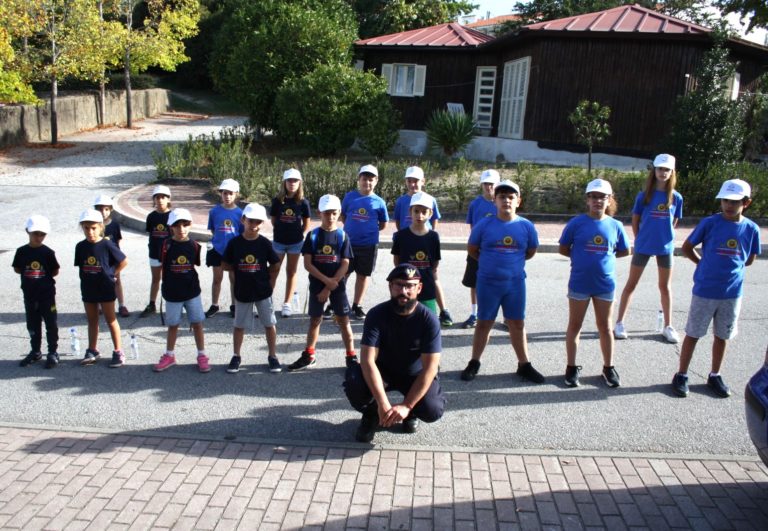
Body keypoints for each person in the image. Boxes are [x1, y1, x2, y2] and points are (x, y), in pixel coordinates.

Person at [671, 179, 761, 398]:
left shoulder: (751, 229)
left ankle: (715, 374)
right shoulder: (710, 223)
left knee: (722, 335)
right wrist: (702, 263)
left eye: (735, 201)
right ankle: (682, 374)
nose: (729, 205)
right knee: (693, 333)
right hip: (705, 290)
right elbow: (687, 247)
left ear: (746, 203)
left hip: (731, 293)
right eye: (725, 200)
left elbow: (749, 258)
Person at [344, 264, 446, 443]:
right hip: (383, 372)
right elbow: (368, 361)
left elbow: (430, 369)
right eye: (399, 285)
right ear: (390, 287)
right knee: (355, 380)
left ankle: (409, 413)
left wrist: (407, 405)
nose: (404, 291)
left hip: (414, 375)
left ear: (419, 288)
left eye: (410, 286)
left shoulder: (429, 320)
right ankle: (372, 414)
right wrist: (382, 403)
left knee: (433, 409)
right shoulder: (376, 315)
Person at [460, 180, 544, 384]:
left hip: (514, 284)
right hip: (488, 283)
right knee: (484, 323)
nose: (506, 200)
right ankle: (474, 362)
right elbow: (473, 249)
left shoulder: (526, 226)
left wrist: (510, 264)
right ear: (495, 201)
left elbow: (530, 252)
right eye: (501, 197)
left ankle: (524, 364)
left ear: (518, 201)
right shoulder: (484, 224)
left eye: (510, 197)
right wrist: (491, 263)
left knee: (517, 323)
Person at [558, 179, 630, 388]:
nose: (598, 201)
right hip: (579, 282)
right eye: (594, 197)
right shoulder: (576, 223)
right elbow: (563, 248)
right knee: (575, 325)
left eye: (602, 197)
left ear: (609, 200)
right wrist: (580, 257)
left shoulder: (615, 225)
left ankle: (608, 367)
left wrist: (604, 259)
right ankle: (571, 367)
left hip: (605, 284)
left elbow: (625, 250)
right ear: (587, 200)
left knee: (605, 327)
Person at [615, 154, 683, 343]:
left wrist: (664, 237)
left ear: (672, 173)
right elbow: (636, 220)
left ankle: (668, 326)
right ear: (654, 171)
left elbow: (674, 221)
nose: (663, 172)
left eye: (667, 170)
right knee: (631, 284)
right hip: (643, 246)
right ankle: (619, 323)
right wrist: (640, 239)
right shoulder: (643, 196)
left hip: (665, 247)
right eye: (660, 169)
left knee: (665, 287)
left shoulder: (676, 197)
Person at [287, 194, 356, 371]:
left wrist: (332, 283)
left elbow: (346, 263)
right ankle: (309, 355)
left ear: (339, 213)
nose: (330, 217)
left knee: (343, 320)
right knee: (315, 320)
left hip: (337, 284)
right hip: (319, 285)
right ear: (320, 213)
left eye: (334, 213)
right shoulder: (313, 236)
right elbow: (308, 264)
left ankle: (351, 356)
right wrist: (326, 284)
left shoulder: (342, 236)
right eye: (327, 213)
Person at [223, 203, 282, 374]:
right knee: (239, 325)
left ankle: (272, 355)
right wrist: (237, 271)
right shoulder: (234, 243)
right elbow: (225, 264)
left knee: (269, 324)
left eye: (258, 222)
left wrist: (266, 275)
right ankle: (236, 355)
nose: (254, 225)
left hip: (263, 291)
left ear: (262, 223)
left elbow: (276, 264)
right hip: (242, 292)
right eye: (250, 221)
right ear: (243, 220)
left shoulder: (264, 243)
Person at [392, 166, 452, 326]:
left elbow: (435, 221)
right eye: (409, 181)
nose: (413, 184)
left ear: (422, 181)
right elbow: (397, 258)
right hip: (408, 241)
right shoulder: (401, 202)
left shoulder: (430, 200)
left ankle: (443, 310)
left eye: (416, 181)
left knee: (433, 279)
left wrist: (428, 236)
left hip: (425, 248)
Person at [153, 208, 210, 373]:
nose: (181, 229)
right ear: (171, 227)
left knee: (197, 323)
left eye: (185, 225)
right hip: (172, 293)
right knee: (173, 325)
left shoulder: (194, 246)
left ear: (190, 225)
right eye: (177, 225)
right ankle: (169, 355)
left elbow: (195, 265)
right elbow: (160, 266)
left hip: (192, 292)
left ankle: (202, 355)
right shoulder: (165, 245)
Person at [74, 209, 128, 367]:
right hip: (88, 288)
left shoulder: (107, 244)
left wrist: (112, 273)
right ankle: (92, 350)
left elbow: (123, 261)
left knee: (111, 320)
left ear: (100, 227)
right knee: (92, 320)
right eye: (86, 228)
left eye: (93, 228)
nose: (90, 232)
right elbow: (81, 266)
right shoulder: (80, 246)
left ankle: (118, 351)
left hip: (105, 287)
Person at [340, 164, 389, 320]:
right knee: (343, 274)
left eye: (370, 179)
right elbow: (344, 217)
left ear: (376, 181)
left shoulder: (379, 202)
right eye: (364, 179)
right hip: (349, 244)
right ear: (358, 180)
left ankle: (357, 305)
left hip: (368, 245)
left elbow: (383, 224)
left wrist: (367, 232)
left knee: (363, 275)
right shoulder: (349, 197)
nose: (367, 182)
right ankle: (337, 303)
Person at [13, 215, 60, 369]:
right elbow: (17, 268)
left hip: (46, 295)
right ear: (28, 231)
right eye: (35, 234)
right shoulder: (21, 251)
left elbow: (54, 270)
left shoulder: (48, 252)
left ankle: (52, 352)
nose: (39, 237)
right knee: (32, 323)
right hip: (30, 294)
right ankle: (35, 351)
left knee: (50, 323)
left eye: (42, 234)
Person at [460, 169, 500, 329]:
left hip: (496, 251)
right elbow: (472, 227)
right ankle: (474, 314)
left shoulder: (501, 203)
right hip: (477, 251)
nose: (488, 187)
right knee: (474, 283)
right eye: (486, 184)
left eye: (491, 184)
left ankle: (499, 316)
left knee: (498, 283)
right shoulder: (475, 204)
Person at [391, 192, 442, 315]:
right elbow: (397, 260)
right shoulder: (400, 236)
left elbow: (435, 263)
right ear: (410, 212)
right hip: (406, 285)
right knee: (404, 317)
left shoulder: (434, 237)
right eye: (416, 211)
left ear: (430, 214)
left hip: (427, 285)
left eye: (424, 212)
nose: (420, 215)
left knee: (429, 318)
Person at [270, 168, 311, 318]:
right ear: (284, 183)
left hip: (296, 242)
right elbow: (274, 220)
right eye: (289, 181)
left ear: (299, 183)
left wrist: (299, 233)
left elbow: (306, 224)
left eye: (295, 180)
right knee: (273, 270)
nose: (292, 183)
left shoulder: (303, 202)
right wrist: (281, 231)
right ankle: (267, 302)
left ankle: (287, 303)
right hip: (279, 242)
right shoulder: (277, 201)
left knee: (291, 272)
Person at [205, 178, 243, 318]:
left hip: (233, 251)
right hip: (218, 249)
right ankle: (214, 304)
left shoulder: (240, 213)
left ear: (236, 194)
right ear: (220, 194)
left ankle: (234, 305)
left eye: (230, 193)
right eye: (224, 193)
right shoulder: (214, 211)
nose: (227, 196)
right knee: (217, 278)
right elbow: (213, 230)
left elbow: (241, 232)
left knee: (234, 278)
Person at [94, 193, 130, 318]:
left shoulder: (114, 225)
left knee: (116, 280)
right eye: (100, 209)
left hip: (113, 259)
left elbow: (118, 242)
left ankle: (121, 305)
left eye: (106, 209)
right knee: (98, 281)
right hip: (99, 259)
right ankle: (98, 305)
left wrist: (117, 258)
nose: (103, 212)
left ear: (111, 210)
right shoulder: (94, 225)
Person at [140, 185, 171, 318]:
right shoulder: (151, 216)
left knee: (169, 279)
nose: (160, 200)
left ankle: (172, 304)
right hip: (154, 252)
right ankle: (152, 304)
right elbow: (150, 233)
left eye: (163, 197)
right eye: (157, 197)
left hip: (168, 254)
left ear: (168, 199)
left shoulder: (172, 216)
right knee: (155, 279)